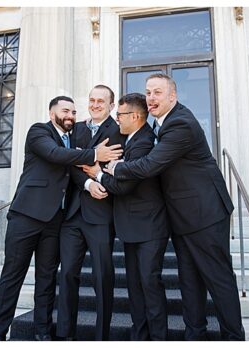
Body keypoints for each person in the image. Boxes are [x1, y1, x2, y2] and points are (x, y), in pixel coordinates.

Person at [89, 74, 243, 340]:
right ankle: (194, 335)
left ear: (173, 95)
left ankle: (234, 338)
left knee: (218, 281)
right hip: (181, 217)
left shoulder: (181, 123)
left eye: (158, 93)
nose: (151, 98)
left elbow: (150, 166)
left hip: (205, 213)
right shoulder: (163, 124)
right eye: (148, 93)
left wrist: (114, 168)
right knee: (189, 282)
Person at [0, 96, 123, 341]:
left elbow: (72, 163)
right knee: (12, 277)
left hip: (55, 221)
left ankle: (43, 333)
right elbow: (55, 154)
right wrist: (94, 153)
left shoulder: (73, 138)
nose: (70, 116)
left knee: (47, 279)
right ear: (52, 114)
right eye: (65, 111)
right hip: (26, 216)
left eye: (73, 112)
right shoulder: (39, 131)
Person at [86, 93, 170, 340]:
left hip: (149, 228)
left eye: (119, 115)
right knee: (135, 288)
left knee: (149, 286)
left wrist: (98, 173)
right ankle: (139, 337)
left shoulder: (144, 142)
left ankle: (158, 339)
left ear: (134, 116)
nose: (116, 120)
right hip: (131, 227)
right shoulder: (129, 138)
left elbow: (125, 186)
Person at [56, 85, 123, 341]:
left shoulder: (118, 131)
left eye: (101, 101)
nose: (95, 105)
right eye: (92, 100)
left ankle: (101, 337)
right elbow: (69, 163)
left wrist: (98, 175)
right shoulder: (77, 128)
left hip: (101, 214)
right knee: (68, 275)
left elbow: (117, 165)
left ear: (111, 105)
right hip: (72, 215)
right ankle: (64, 336)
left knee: (101, 277)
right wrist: (87, 181)